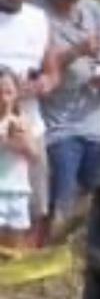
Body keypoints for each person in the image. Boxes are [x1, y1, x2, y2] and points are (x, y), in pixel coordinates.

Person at [39, 0, 100, 225]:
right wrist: (76, 51)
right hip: (58, 128)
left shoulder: (95, 12)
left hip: (96, 124)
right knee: (64, 200)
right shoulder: (37, 19)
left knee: (97, 201)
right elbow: (38, 73)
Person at [0, 0, 57, 237]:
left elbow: (52, 69)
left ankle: (28, 273)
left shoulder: (38, 19)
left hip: (31, 128)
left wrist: (44, 83)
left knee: (36, 207)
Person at [0, 66, 40, 249]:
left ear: (16, 93)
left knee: (14, 249)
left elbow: (35, 157)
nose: (3, 97)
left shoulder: (23, 121)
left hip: (18, 192)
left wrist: (23, 142)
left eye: (8, 92)